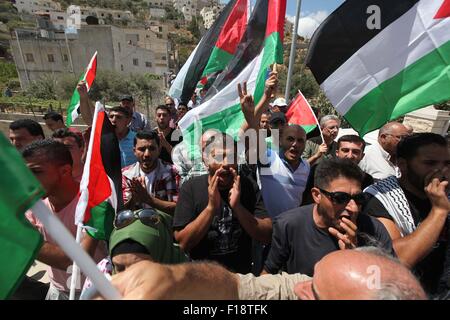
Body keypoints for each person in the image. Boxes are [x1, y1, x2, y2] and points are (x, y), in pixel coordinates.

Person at [104, 247, 426, 300]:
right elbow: (236, 288)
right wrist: (176, 280)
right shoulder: (302, 286)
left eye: (314, 293)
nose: (299, 288)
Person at [263, 158, 393, 276]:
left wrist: (356, 258)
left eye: (359, 198)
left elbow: (392, 283)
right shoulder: (289, 224)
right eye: (340, 198)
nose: (353, 208)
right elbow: (268, 275)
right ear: (317, 195)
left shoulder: (374, 229)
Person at [363, 133, 450, 295]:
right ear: (402, 164)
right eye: (430, 163)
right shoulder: (380, 199)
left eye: (447, 163)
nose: (441, 170)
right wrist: (439, 211)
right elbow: (396, 259)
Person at [173, 132, 272, 273]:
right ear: (205, 160)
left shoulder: (248, 185)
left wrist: (238, 207)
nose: (226, 164)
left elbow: (266, 235)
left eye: (231, 157)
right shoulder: (191, 188)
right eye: (219, 157)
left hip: (240, 278)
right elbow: (182, 243)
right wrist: (210, 208)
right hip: (202, 278)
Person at [22, 140, 106, 299]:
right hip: (57, 290)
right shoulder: (34, 207)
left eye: (36, 171)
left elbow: (72, 262)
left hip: (95, 292)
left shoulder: (93, 204)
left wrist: (22, 235)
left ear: (65, 170)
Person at [239, 74, 310, 218]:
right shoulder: (269, 159)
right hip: (267, 230)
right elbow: (247, 133)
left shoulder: (306, 167)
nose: (295, 144)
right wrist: (264, 99)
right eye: (290, 139)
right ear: (281, 141)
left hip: (291, 232)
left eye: (300, 140)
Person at [109, 208, 188, 273]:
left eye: (140, 270)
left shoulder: (194, 286)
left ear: (164, 254)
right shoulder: (104, 286)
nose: (127, 279)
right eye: (120, 269)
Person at [302, 135, 374, 205]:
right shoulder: (318, 171)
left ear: (362, 156)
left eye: (355, 152)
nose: (349, 156)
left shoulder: (367, 180)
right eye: (345, 150)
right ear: (337, 153)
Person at [122, 131, 178, 215]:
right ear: (134, 151)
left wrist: (149, 199)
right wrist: (133, 200)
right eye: (142, 149)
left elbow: (177, 208)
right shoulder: (126, 175)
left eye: (152, 149)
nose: (147, 154)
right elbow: (122, 212)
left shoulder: (172, 172)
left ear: (159, 150)